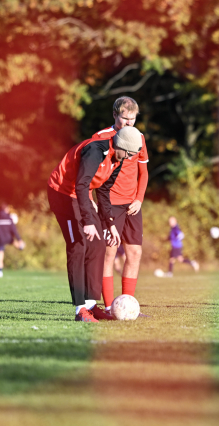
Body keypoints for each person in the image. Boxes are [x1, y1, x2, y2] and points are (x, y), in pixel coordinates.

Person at [47, 125, 143, 322]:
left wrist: (110, 224)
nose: (129, 158)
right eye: (129, 153)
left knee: (98, 244)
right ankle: (80, 309)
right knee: (78, 245)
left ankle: (91, 305)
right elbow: (81, 184)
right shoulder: (95, 151)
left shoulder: (117, 160)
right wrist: (88, 221)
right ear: (122, 146)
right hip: (63, 193)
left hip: (81, 195)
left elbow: (104, 192)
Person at [90, 97, 150, 317]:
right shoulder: (101, 138)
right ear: (115, 115)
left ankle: (128, 306)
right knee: (109, 253)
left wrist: (139, 199)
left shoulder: (139, 138)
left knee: (134, 253)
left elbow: (143, 173)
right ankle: (109, 308)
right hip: (110, 204)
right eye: (125, 118)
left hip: (132, 205)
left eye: (132, 119)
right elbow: (90, 174)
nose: (129, 123)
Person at [0, 204, 25, 278]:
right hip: (9, 238)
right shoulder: (9, 219)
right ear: (5, 209)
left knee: (0, 253)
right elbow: (14, 231)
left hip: (0, 239)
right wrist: (19, 239)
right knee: (13, 242)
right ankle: (20, 246)